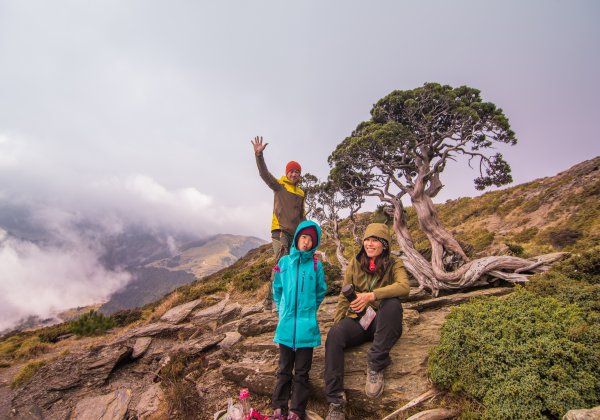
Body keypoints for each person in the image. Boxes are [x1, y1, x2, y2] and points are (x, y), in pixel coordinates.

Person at [323, 223, 410, 420]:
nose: (370, 244)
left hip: (384, 322)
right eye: (367, 239)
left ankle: (376, 364)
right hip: (362, 321)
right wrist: (337, 322)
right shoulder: (355, 262)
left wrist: (372, 295)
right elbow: (344, 295)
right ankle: (336, 402)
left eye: (375, 240)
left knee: (392, 303)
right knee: (335, 335)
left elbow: (404, 287)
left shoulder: (394, 263)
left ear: (385, 245)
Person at [271, 220, 327, 420]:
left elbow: (321, 290)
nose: (306, 242)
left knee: (302, 373)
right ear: (297, 238)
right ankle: (279, 408)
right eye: (303, 237)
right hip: (285, 326)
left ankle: (296, 411)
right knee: (284, 369)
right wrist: (281, 308)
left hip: (307, 327)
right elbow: (277, 288)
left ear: (314, 243)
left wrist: (310, 308)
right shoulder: (284, 263)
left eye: (310, 240)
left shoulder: (315, 265)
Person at [252, 135, 305, 309]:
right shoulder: (279, 186)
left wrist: (307, 232)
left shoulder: (301, 193)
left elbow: (301, 215)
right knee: (281, 264)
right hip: (280, 231)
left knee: (294, 267)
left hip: (296, 234)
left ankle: (287, 300)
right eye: (291, 171)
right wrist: (259, 156)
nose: (294, 174)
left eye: (297, 172)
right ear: (286, 172)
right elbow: (263, 174)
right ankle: (270, 302)